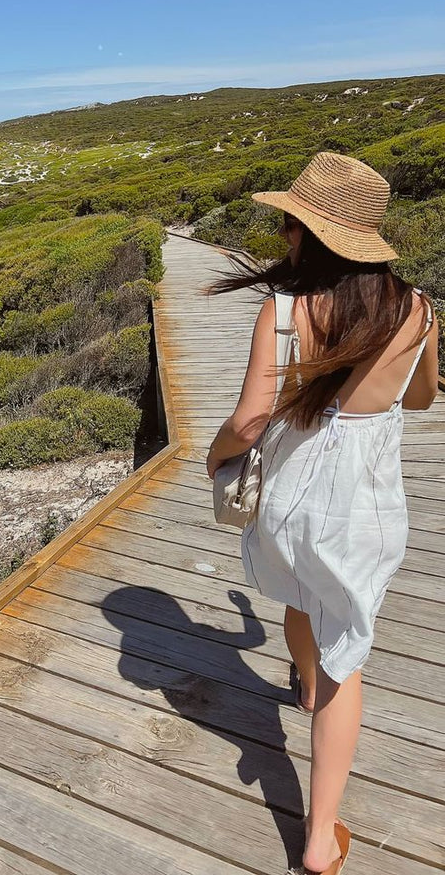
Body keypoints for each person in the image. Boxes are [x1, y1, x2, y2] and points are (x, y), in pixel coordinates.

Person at [204, 152, 439, 875]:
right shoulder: (418, 308)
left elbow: (249, 423)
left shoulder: (281, 310)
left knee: (299, 595)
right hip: (362, 511)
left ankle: (303, 686)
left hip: (288, 501)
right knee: (349, 656)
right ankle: (320, 837)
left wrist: (214, 459)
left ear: (303, 229)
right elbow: (424, 398)